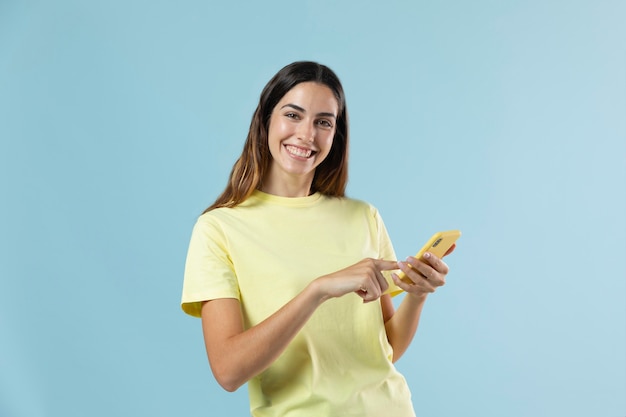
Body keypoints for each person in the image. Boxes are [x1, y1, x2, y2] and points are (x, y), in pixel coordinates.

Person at [181, 61, 454, 417]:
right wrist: (318, 290)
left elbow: (386, 348)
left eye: (323, 122)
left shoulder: (363, 217)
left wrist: (417, 296)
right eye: (293, 115)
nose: (307, 134)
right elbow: (228, 370)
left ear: (335, 134)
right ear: (265, 119)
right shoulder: (219, 229)